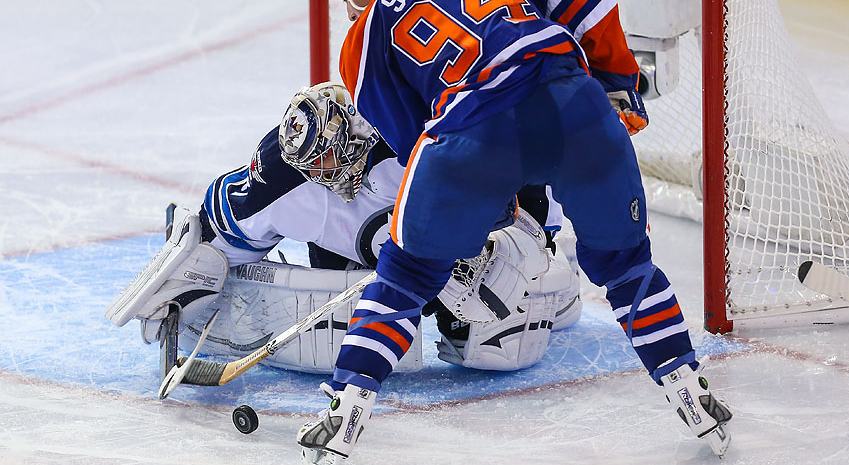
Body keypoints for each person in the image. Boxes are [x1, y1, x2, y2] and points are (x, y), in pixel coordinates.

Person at [296, 0, 732, 465]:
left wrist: (477, 203)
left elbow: (413, 140)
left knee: (404, 279)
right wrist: (619, 81)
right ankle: (692, 395)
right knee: (628, 268)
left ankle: (344, 415)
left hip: (473, 134)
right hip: (578, 106)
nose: (348, 3)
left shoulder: (364, 36)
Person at [104, 82, 582, 379]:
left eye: (326, 160)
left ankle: (558, 283)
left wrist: (519, 241)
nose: (320, 174)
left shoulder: (411, 139)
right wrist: (193, 266)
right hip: (368, 266)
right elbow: (222, 221)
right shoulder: (284, 169)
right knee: (351, 316)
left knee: (496, 347)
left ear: (351, 135)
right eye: (309, 167)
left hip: (450, 246)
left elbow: (515, 173)